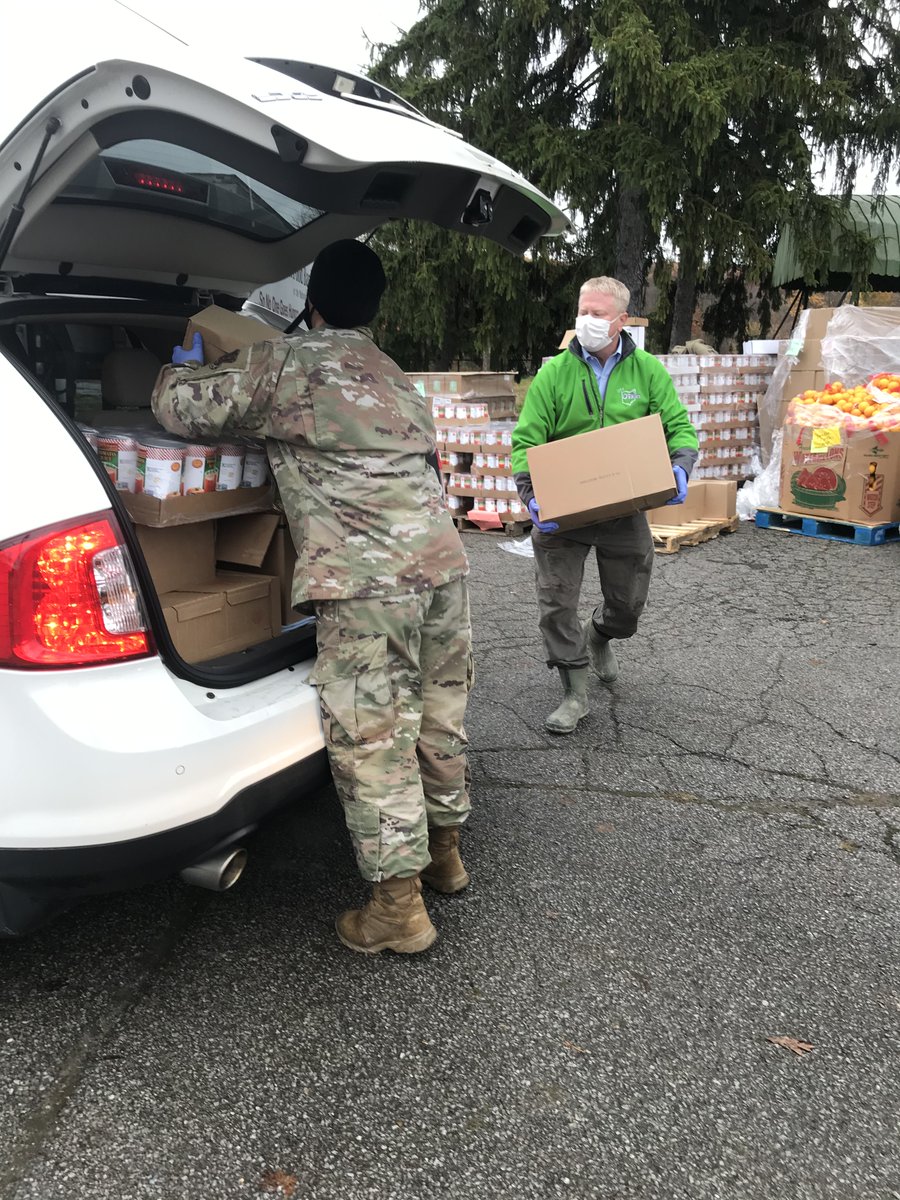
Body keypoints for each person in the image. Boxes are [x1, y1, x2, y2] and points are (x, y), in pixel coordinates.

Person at [151, 240, 473, 956]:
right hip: (443, 569)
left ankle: (397, 909)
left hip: (368, 582)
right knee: (437, 713)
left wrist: (178, 361)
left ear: (313, 301)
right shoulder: (397, 377)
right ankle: (446, 855)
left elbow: (181, 410)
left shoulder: (289, 364)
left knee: (372, 731)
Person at [511, 275, 698, 735]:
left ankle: (600, 634)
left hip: (623, 509)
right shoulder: (554, 374)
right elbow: (526, 439)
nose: (586, 321)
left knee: (628, 605)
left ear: (621, 321)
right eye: (583, 311)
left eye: (596, 314)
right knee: (555, 604)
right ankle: (575, 692)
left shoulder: (647, 371)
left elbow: (679, 428)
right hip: (564, 513)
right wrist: (530, 492)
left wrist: (680, 466)